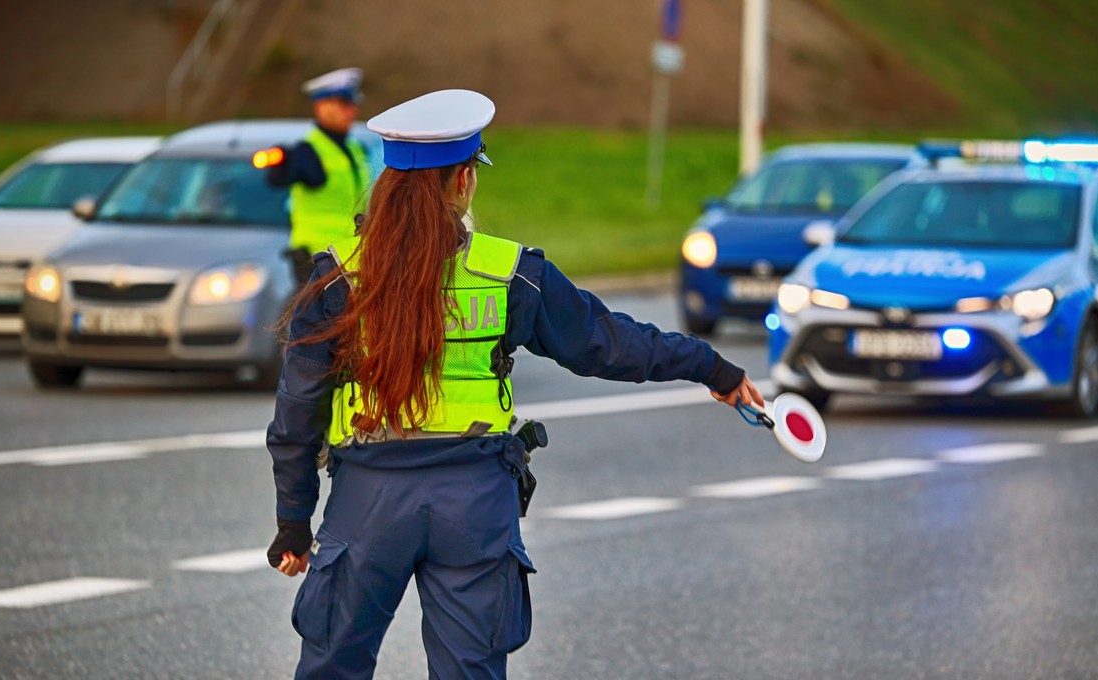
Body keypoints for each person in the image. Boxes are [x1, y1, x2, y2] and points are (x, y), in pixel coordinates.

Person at [265, 89, 767, 679]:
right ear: (463, 181)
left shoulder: (338, 279)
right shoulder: (509, 273)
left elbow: (298, 411)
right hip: (475, 503)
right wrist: (710, 366)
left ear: (388, 184)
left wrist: (293, 522)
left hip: (368, 499)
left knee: (332, 666)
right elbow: (606, 342)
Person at [266, 67, 374, 284]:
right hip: (316, 260)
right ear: (321, 106)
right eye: (344, 104)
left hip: (350, 254)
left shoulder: (356, 148)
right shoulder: (307, 151)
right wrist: (282, 163)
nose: (351, 111)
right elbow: (277, 180)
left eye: (352, 105)